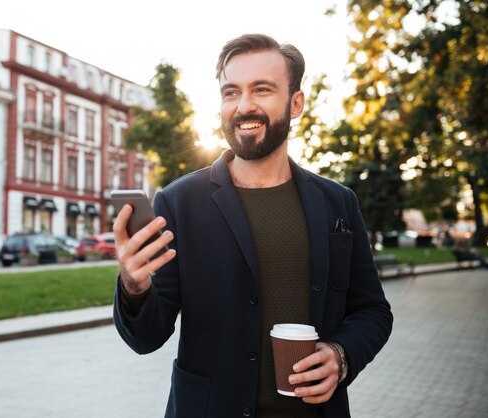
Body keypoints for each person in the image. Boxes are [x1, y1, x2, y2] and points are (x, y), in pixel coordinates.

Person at [113, 34, 393, 418]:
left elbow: (373, 311)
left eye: (261, 90)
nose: (244, 106)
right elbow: (146, 338)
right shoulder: (178, 203)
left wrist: (341, 356)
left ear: (295, 103)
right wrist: (134, 285)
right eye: (231, 93)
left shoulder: (337, 202)